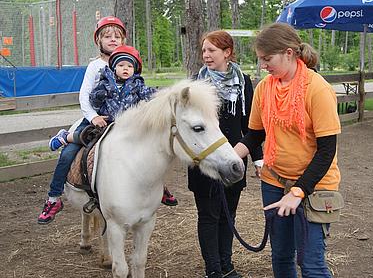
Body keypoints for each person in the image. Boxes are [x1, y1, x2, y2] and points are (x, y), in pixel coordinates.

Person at [37, 17, 176, 225]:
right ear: (98, 41)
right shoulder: (96, 67)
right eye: (107, 36)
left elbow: (141, 94)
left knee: (153, 146)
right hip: (99, 117)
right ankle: (53, 197)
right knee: (69, 153)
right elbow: (85, 96)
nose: (112, 39)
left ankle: (158, 187)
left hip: (126, 121)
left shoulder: (129, 64)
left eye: (117, 36)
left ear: (124, 40)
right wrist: (93, 116)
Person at [234, 22, 341, 278]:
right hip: (274, 181)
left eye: (267, 58)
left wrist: (298, 191)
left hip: (314, 187)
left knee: (311, 264)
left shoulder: (318, 89)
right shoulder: (264, 88)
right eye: (260, 59)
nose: (263, 65)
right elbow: (255, 134)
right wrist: (225, 158)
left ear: (289, 53)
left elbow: (326, 151)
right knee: (281, 258)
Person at [188, 30, 263, 278]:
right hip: (205, 160)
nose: (206, 55)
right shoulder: (195, 85)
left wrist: (257, 158)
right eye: (204, 50)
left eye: (212, 50)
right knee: (209, 215)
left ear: (227, 52)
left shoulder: (243, 82)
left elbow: (251, 125)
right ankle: (213, 269)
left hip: (234, 158)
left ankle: (226, 265)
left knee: (228, 214)